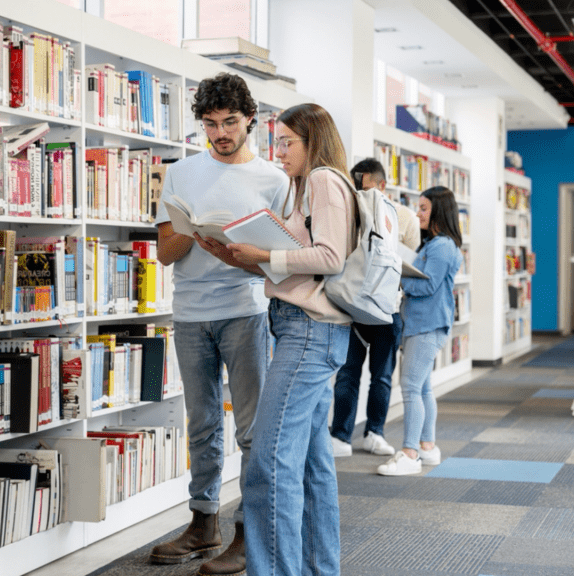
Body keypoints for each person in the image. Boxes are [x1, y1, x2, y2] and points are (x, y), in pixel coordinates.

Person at [148, 72, 289, 576]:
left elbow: (281, 261)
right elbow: (165, 253)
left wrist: (236, 251)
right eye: (210, 124)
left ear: (250, 119)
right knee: (203, 424)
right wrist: (195, 230)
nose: (221, 133)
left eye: (230, 122)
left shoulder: (275, 180)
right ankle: (202, 523)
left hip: (245, 311)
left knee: (251, 430)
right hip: (189, 314)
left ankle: (249, 534)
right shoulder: (182, 173)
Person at [228, 103, 355, 576]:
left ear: (313, 141)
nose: (278, 152)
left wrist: (265, 254)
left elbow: (329, 256)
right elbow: (300, 259)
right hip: (299, 328)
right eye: (275, 142)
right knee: (310, 465)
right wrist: (246, 258)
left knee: (269, 463)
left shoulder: (323, 180)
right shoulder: (303, 187)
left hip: (308, 331)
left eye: (287, 143)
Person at [330, 158, 420, 458]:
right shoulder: (347, 209)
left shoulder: (404, 217)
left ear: (382, 185)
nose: (362, 193)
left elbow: (412, 260)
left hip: (386, 308)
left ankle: (375, 432)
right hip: (351, 304)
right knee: (347, 373)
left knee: (381, 375)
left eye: (366, 187)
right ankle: (340, 435)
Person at [377, 186, 463, 476]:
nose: (418, 213)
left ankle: (410, 453)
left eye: (424, 208)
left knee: (411, 387)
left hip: (428, 324)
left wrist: (400, 278)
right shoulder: (435, 244)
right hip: (422, 323)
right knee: (423, 387)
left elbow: (428, 285)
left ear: (439, 211)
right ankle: (426, 447)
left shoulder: (441, 247)